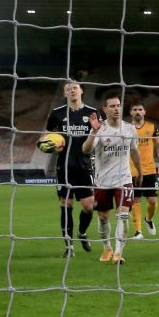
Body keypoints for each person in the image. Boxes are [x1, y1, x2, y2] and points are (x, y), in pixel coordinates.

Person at [41, 79, 100, 258]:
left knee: (89, 206)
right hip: (64, 167)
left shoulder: (92, 113)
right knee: (66, 205)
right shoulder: (57, 114)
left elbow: (100, 136)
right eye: (68, 89)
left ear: (81, 90)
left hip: (84, 166)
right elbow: (47, 136)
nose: (72, 91)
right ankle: (69, 246)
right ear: (64, 94)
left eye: (75, 88)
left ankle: (82, 233)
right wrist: (46, 144)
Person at [82, 92, 142, 265]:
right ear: (105, 109)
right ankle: (107, 247)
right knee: (102, 217)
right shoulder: (100, 129)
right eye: (113, 106)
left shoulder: (129, 129)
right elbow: (85, 150)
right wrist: (93, 131)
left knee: (123, 215)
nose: (116, 108)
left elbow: (134, 151)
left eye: (118, 105)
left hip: (124, 179)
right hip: (103, 181)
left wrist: (140, 171)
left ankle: (118, 253)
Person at [127, 101, 159, 239]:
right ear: (130, 113)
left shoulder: (152, 127)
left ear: (144, 112)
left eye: (140, 109)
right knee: (135, 200)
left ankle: (148, 219)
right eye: (135, 109)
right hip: (132, 170)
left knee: (152, 201)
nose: (137, 112)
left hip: (150, 170)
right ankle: (138, 232)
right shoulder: (126, 129)